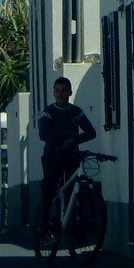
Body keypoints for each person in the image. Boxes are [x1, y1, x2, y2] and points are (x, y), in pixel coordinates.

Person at [37, 76, 97, 225]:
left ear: (70, 93)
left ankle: (76, 222)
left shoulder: (77, 112)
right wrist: (64, 139)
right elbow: (43, 134)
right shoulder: (48, 112)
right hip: (52, 155)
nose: (60, 94)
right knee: (49, 185)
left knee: (72, 187)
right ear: (53, 92)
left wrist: (74, 141)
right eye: (57, 91)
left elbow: (91, 132)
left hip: (71, 155)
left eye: (63, 91)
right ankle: (44, 219)